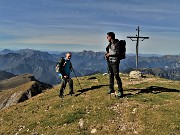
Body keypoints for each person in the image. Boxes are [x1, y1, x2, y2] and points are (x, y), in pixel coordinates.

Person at [105, 32, 123, 98]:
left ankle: (120, 91)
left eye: (107, 37)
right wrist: (106, 54)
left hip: (115, 62)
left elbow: (117, 52)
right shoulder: (110, 44)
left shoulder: (117, 43)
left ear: (110, 37)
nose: (107, 38)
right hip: (110, 61)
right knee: (111, 75)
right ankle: (111, 88)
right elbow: (107, 49)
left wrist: (109, 54)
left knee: (116, 76)